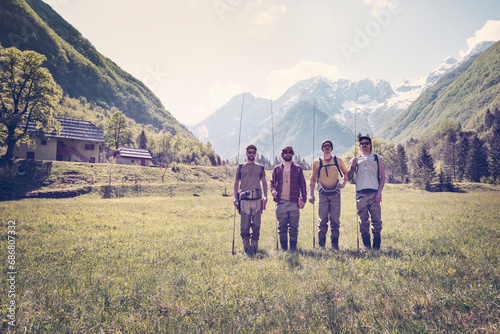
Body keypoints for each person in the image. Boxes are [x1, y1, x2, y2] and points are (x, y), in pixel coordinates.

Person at [347, 136, 386, 252]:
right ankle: (367, 247)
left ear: (370, 145)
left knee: (377, 222)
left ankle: (376, 247)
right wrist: (352, 166)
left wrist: (379, 192)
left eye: (366, 143)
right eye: (362, 143)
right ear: (359, 146)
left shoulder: (377, 158)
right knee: (363, 222)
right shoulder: (355, 159)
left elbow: (383, 177)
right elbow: (348, 178)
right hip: (361, 195)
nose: (364, 145)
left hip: (374, 194)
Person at [309, 140, 349, 250]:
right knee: (322, 221)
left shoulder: (338, 160)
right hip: (322, 195)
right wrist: (311, 195)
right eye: (325, 146)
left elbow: (346, 172)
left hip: (335, 194)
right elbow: (312, 178)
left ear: (331, 148)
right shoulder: (316, 162)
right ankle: (322, 245)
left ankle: (334, 245)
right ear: (322, 148)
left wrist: (344, 182)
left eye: (329, 146)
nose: (327, 147)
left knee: (335, 221)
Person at [270, 146, 307, 251]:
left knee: (294, 227)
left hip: (294, 202)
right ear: (282, 155)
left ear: (292, 154)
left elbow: (303, 185)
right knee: (281, 227)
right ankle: (284, 249)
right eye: (285, 152)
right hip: (280, 202)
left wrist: (303, 199)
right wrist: (272, 191)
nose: (288, 154)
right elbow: (272, 182)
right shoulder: (277, 169)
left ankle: (293, 248)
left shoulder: (298, 169)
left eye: (290, 152)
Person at [233, 144, 268, 254]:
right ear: (246, 153)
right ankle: (246, 247)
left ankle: (254, 247)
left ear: (256, 153)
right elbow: (236, 182)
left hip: (257, 200)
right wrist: (235, 198)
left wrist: (265, 196)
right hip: (244, 201)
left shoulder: (260, 167)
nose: (251, 154)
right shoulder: (240, 167)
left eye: (253, 152)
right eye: (250, 152)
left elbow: (264, 182)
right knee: (244, 226)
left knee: (256, 225)